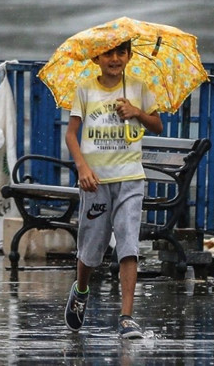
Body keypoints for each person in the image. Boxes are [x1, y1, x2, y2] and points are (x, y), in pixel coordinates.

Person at [63, 40, 163, 339]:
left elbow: (156, 125)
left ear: (130, 56)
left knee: (128, 243)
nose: (115, 58)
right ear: (97, 57)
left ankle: (127, 316)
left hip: (131, 177)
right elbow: (71, 134)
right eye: (108, 53)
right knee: (91, 246)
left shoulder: (139, 87)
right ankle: (81, 290)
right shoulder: (85, 89)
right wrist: (82, 167)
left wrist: (136, 112)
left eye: (121, 53)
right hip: (96, 181)